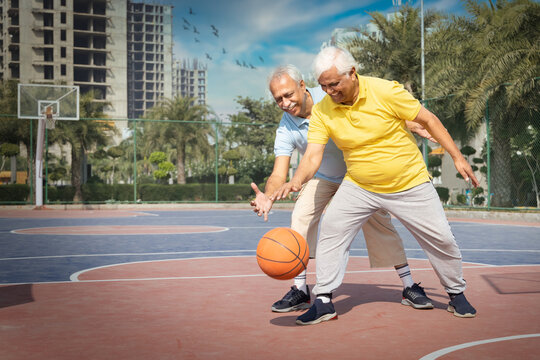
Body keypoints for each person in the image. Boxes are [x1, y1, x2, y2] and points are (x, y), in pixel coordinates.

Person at [272, 47, 478, 325]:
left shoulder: (385, 91)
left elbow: (427, 119)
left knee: (441, 238)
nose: (329, 91)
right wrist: (295, 181)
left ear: (352, 73)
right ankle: (323, 300)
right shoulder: (323, 111)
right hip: (360, 185)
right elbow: (312, 156)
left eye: (334, 84)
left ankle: (456, 293)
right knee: (332, 228)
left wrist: (457, 156)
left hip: (409, 182)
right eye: (323, 86)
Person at [251, 64, 437, 314]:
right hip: (323, 177)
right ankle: (300, 289)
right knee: (301, 216)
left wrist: (410, 122)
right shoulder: (285, 128)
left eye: (288, 95)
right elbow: (278, 173)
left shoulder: (330, 92)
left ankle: (409, 286)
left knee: (380, 224)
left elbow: (370, 107)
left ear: (303, 86)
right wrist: (269, 195)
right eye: (278, 99)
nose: (285, 103)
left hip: (358, 175)